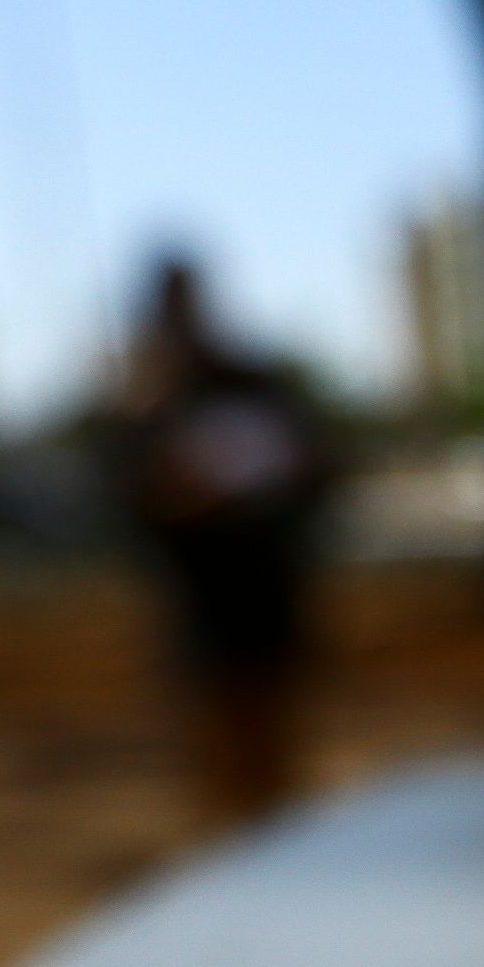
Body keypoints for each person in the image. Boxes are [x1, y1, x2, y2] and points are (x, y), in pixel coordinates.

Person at [105, 253, 339, 823]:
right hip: (201, 599)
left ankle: (272, 841)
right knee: (215, 742)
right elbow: (132, 504)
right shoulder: (151, 404)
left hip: (262, 584)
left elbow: (315, 470)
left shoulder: (249, 385)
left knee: (269, 733)